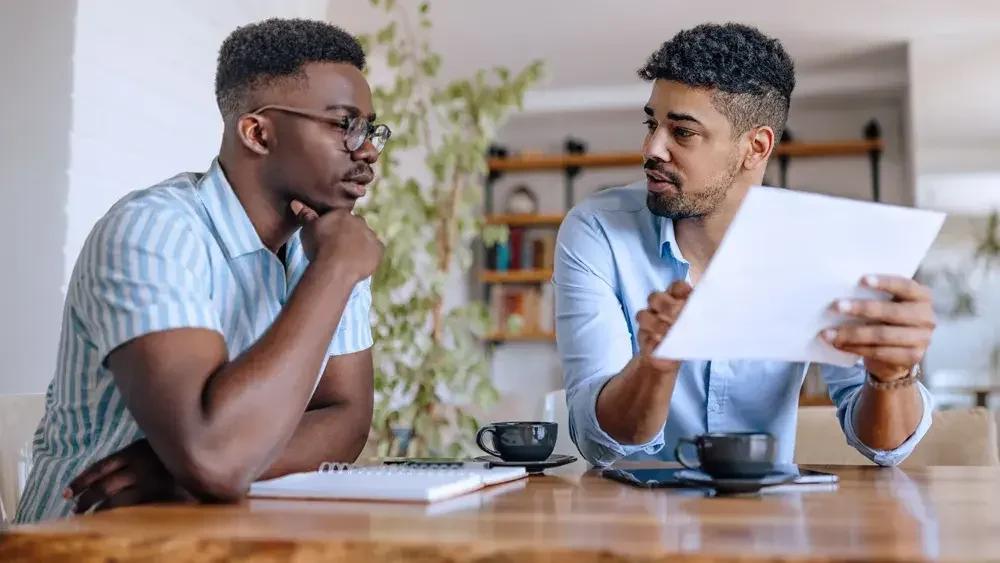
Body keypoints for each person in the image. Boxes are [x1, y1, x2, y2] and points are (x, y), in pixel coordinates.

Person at [15, 18, 389, 523]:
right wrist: (337, 271)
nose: (366, 150)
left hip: (219, 536)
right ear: (258, 132)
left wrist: (180, 472)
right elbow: (216, 459)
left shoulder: (324, 242)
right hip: (85, 545)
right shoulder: (153, 232)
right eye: (345, 125)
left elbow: (347, 421)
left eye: (370, 129)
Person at [554, 23, 935, 469]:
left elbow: (883, 447)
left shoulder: (825, 246)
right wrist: (654, 367)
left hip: (771, 520)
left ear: (756, 147)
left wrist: (892, 375)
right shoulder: (596, 231)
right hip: (633, 522)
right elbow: (600, 443)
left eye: (682, 132)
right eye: (651, 123)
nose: (651, 147)